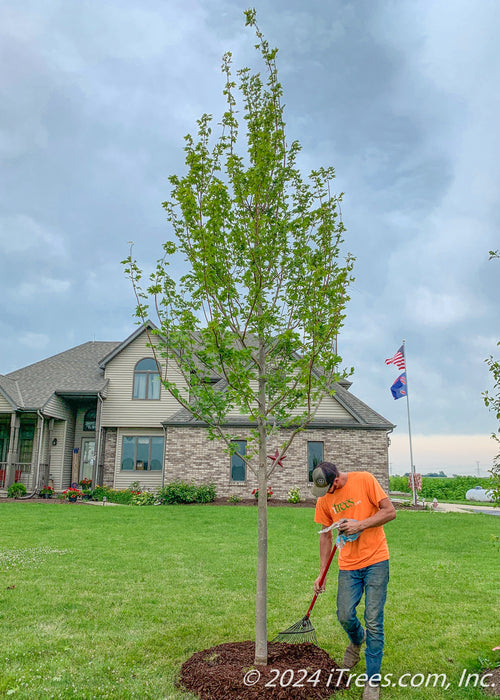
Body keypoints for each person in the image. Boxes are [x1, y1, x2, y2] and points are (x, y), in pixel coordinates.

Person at [312, 462, 396, 700]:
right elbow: (325, 535)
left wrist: (360, 524)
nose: (324, 496)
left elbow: (390, 512)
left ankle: (372, 681)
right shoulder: (324, 499)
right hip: (348, 565)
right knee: (345, 614)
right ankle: (357, 641)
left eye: (327, 489)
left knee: (374, 620)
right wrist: (322, 573)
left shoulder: (365, 480)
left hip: (376, 560)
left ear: (335, 481)